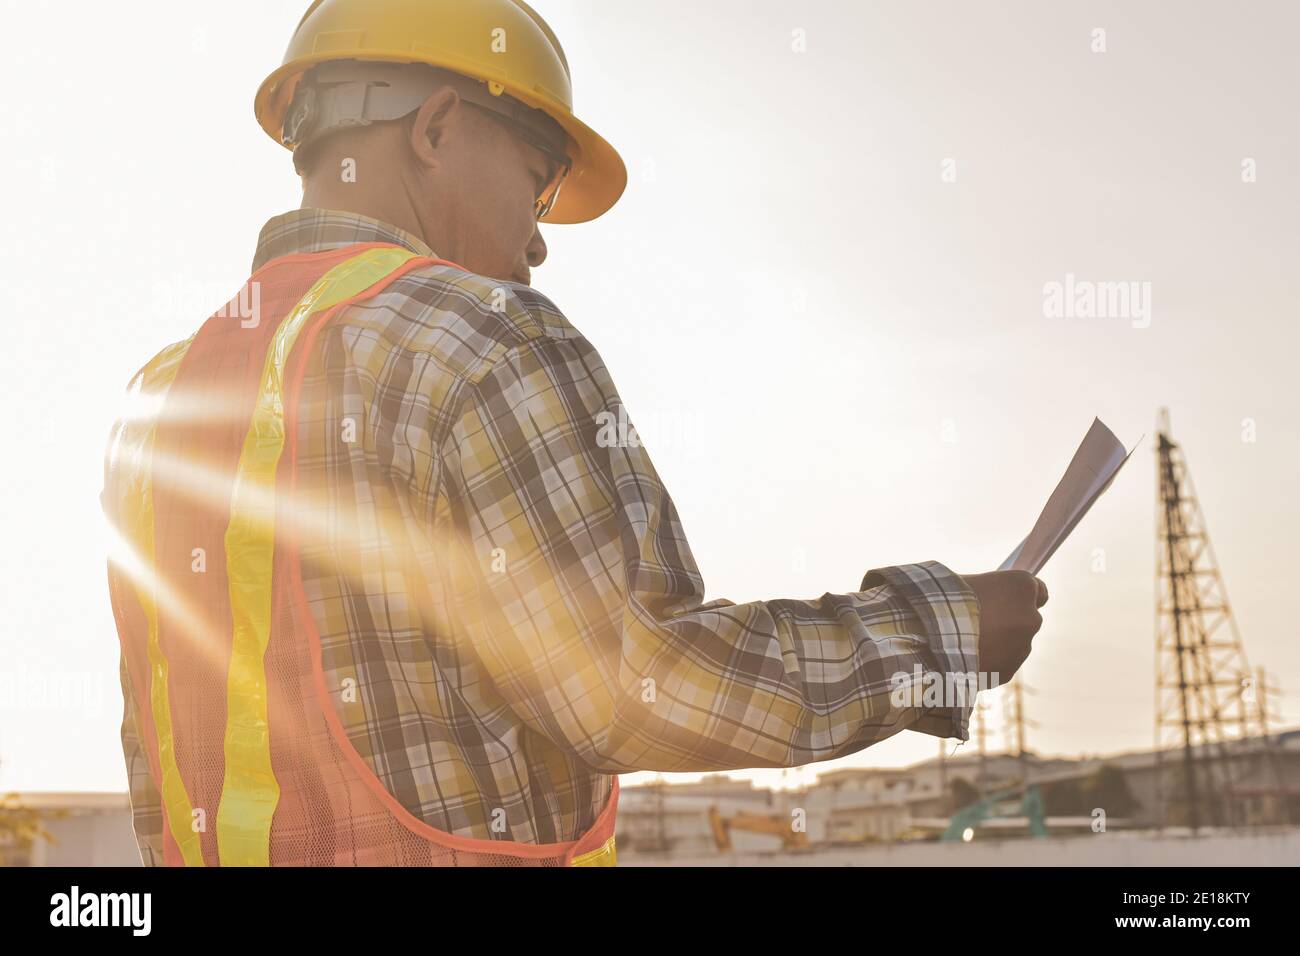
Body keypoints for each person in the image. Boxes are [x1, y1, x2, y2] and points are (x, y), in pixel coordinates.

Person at [104, 0, 1046, 867]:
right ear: (435, 128)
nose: (542, 239)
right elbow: (635, 684)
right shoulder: (482, 336)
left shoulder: (158, 397)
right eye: (540, 182)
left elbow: (158, 764)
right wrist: (934, 633)